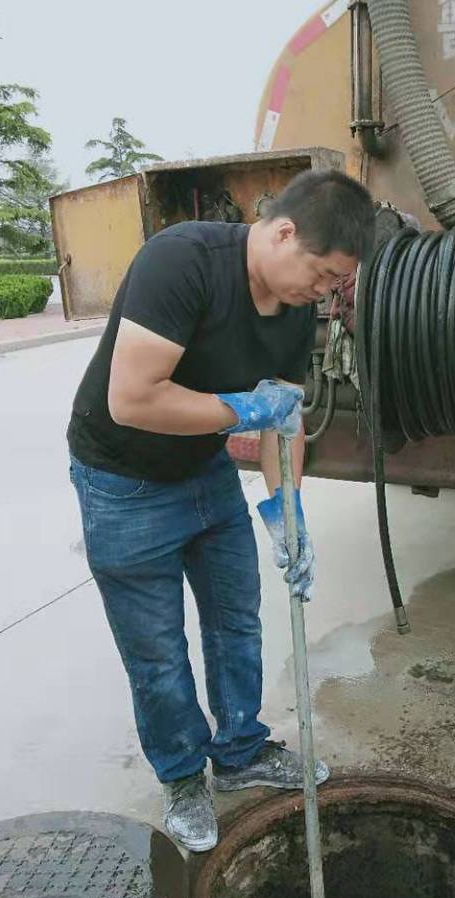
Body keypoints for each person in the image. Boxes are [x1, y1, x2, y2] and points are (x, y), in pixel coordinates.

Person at [67, 168, 376, 852]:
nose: (324, 294)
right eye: (323, 275)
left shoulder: (297, 310)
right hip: (121, 480)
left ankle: (239, 751)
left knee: (237, 620)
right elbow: (133, 399)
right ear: (284, 232)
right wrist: (240, 407)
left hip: (203, 470)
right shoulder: (181, 261)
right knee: (157, 652)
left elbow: (282, 422)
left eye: (335, 284)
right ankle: (182, 777)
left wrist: (286, 508)